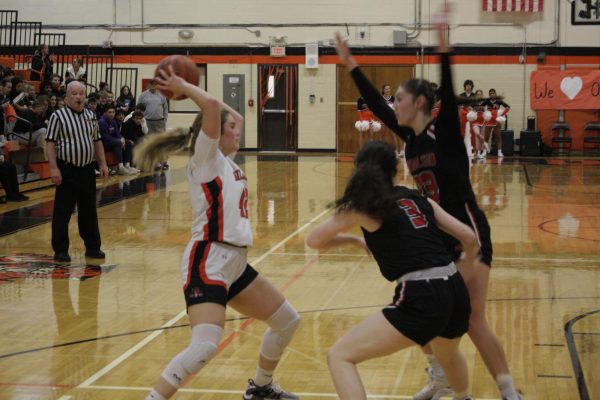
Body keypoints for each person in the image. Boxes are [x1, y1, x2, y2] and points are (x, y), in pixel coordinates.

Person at [335, 6, 522, 400]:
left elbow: (448, 94)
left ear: (419, 103)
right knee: (435, 314)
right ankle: (441, 380)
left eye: (401, 98)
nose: (394, 103)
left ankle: (509, 391)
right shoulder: (412, 138)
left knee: (472, 320)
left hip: (470, 233)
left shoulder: (445, 135)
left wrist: (443, 48)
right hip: (442, 239)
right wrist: (351, 65)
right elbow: (378, 106)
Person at [136, 66, 300, 400]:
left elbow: (230, 113)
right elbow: (212, 107)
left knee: (287, 321)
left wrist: (221, 111)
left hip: (235, 262)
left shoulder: (228, 161)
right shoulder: (206, 158)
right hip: (208, 259)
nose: (237, 130)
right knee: (204, 347)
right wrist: (184, 86)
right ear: (213, 133)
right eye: (230, 128)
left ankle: (262, 388)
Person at [306, 141, 476, 400]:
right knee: (448, 355)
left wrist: (349, 239)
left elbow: (314, 241)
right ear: (394, 170)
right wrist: (462, 274)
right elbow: (468, 236)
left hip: (423, 294)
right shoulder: (416, 197)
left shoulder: (362, 206)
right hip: (454, 288)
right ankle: (459, 394)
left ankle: (443, 382)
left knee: (340, 356)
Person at [45, 81, 109, 263]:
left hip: (87, 170)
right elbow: (50, 143)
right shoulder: (58, 116)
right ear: (66, 97)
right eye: (74, 93)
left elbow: (97, 141)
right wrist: (53, 167)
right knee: (62, 212)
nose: (79, 97)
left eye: (82, 93)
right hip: (67, 170)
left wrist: (103, 164)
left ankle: (93, 246)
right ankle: (61, 249)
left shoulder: (91, 115)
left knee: (89, 211)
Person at [98, 104, 137, 175]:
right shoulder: (102, 122)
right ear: (105, 113)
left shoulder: (114, 121)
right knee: (118, 142)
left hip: (113, 142)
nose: (111, 114)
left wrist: (122, 138)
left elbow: (118, 133)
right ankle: (120, 167)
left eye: (113, 112)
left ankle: (127, 166)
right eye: (109, 112)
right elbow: (105, 137)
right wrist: (119, 140)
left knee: (128, 142)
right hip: (104, 144)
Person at [483, 88, 510, 158]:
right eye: (490, 93)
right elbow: (480, 108)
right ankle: (484, 152)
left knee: (498, 137)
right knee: (486, 137)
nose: (492, 94)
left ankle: (499, 152)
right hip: (489, 121)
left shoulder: (499, 101)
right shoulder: (486, 101)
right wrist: (485, 113)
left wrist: (502, 114)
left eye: (493, 93)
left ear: (495, 94)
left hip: (496, 121)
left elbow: (508, 107)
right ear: (489, 95)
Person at [382, 83, 405, 157]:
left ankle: (398, 151)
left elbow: (397, 107)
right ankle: (380, 150)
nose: (388, 90)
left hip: (392, 118)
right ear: (383, 90)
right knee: (382, 135)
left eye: (389, 89)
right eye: (386, 89)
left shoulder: (393, 98)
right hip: (384, 118)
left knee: (394, 135)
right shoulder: (381, 98)